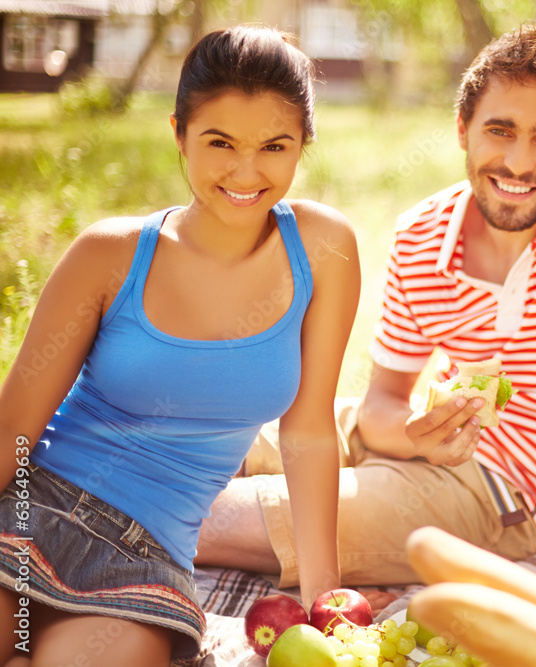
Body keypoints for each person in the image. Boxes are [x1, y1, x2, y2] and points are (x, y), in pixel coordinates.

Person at [194, 18, 536, 588]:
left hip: (511, 496)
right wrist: (418, 432)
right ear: (463, 128)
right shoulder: (421, 232)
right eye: (500, 129)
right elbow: (381, 406)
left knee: (210, 517)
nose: (517, 162)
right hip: (413, 436)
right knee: (195, 440)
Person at [0, 26, 359, 665]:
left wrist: (326, 600)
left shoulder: (324, 250)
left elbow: (307, 434)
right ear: (178, 134)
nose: (245, 172)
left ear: (303, 144)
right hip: (34, 510)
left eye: (274, 146)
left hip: (147, 560)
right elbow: (13, 432)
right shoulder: (110, 254)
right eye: (219, 142)